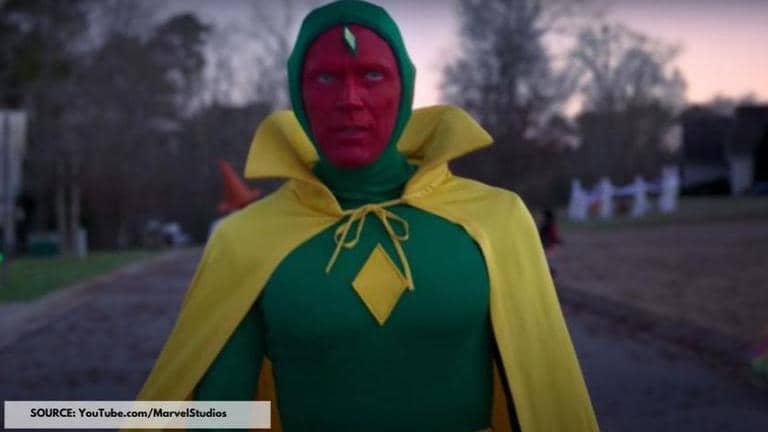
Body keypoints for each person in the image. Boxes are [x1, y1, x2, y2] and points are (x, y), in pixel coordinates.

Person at [136, 2, 599, 431]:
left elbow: (542, 393)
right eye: (325, 78)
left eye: (372, 75)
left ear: (406, 89)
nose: (350, 98)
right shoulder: (245, 239)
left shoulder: (497, 221)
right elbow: (222, 412)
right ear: (298, 94)